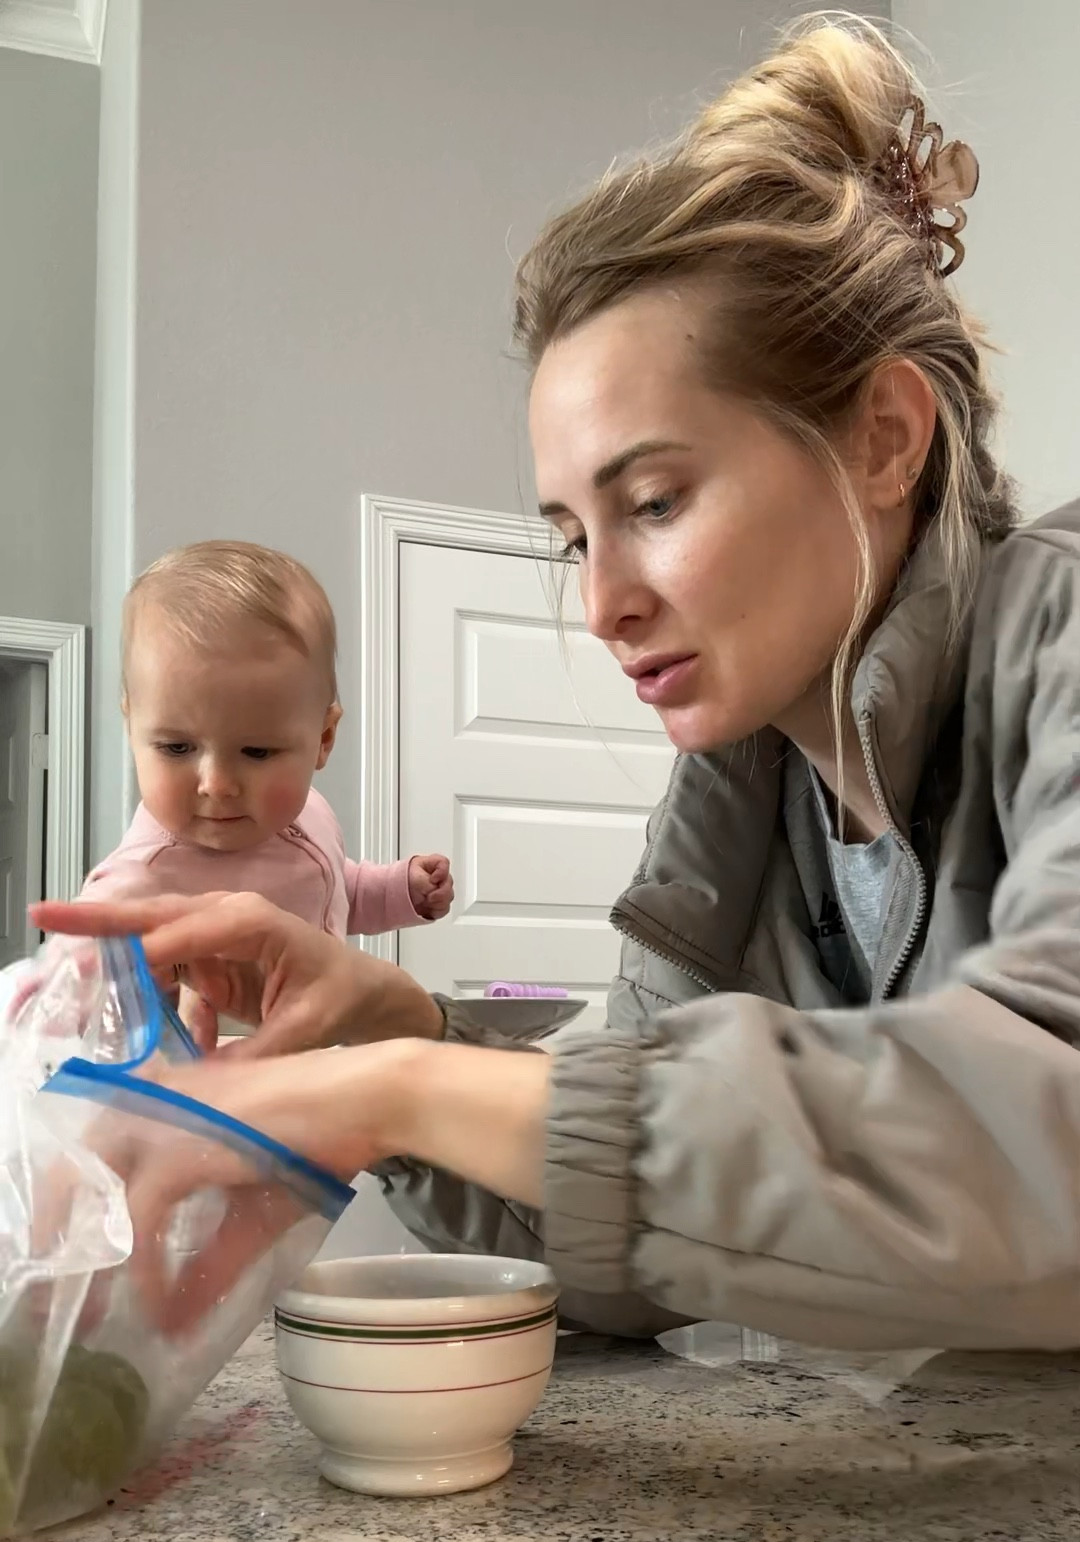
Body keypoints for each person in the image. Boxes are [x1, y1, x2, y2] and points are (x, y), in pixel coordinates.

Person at [37, 18, 1080, 1351]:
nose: (601, 603)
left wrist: (410, 1089)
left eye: (653, 500)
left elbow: (1044, 1142)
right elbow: (637, 1254)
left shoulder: (1061, 623)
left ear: (882, 436)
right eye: (575, 537)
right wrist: (384, 1040)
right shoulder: (740, 795)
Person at [81, 539, 454, 1046]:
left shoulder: (308, 814)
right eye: (176, 747)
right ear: (132, 727)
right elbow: (94, 933)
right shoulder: (144, 874)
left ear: (322, 740)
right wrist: (85, 964)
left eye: (256, 752)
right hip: (218, 1071)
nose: (216, 784)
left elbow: (332, 891)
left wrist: (398, 889)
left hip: (319, 1047)